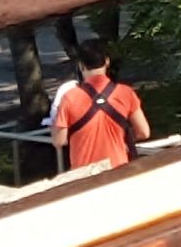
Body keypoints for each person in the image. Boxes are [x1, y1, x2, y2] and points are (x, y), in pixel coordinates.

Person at [50, 38, 150, 171]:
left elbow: (59, 141)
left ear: (81, 66)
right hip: (118, 170)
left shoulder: (69, 97)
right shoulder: (125, 93)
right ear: (107, 61)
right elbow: (143, 132)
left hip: (84, 175)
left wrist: (53, 121)